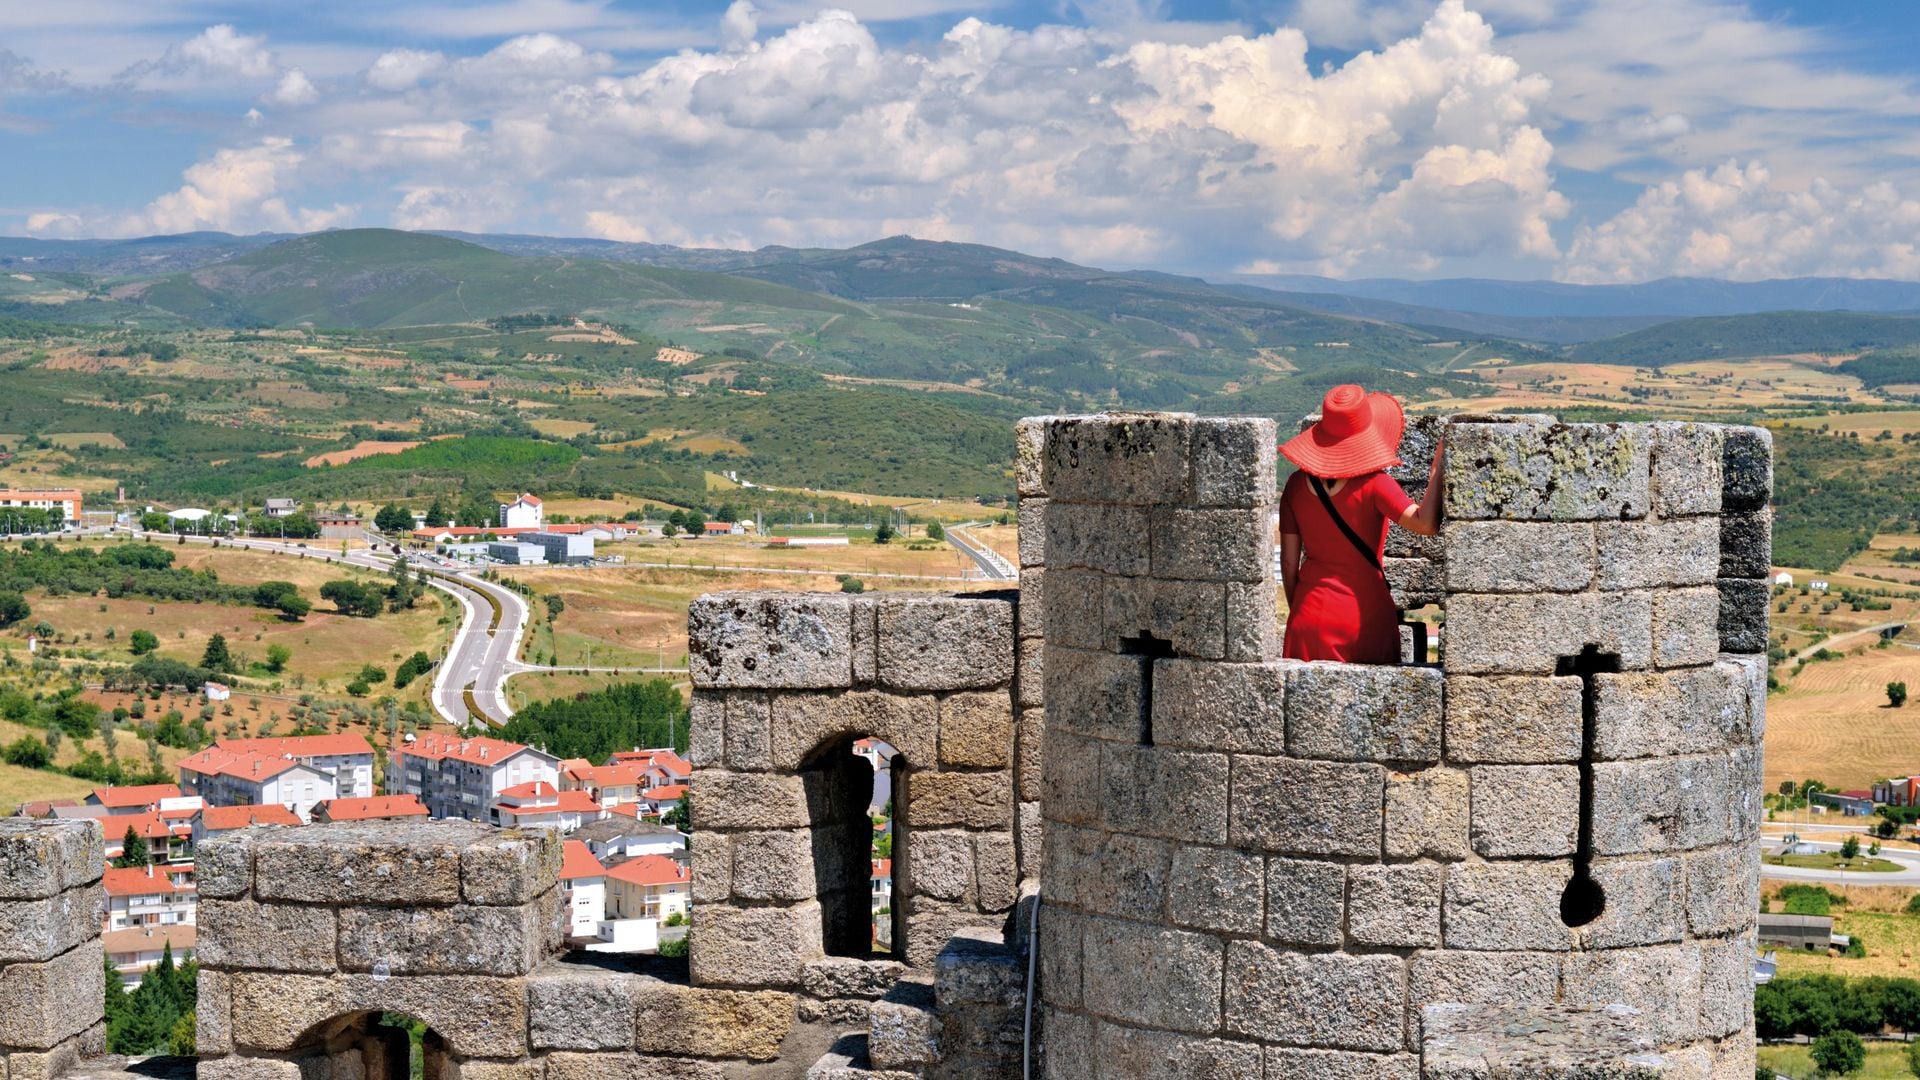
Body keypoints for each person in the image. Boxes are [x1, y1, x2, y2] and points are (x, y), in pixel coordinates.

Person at [1277, 384, 1445, 664]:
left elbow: (1288, 564)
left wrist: (1301, 610)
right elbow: (1425, 523)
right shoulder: (1376, 484)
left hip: (1308, 616)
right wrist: (1438, 468)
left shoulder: (1294, 486)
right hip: (1363, 617)